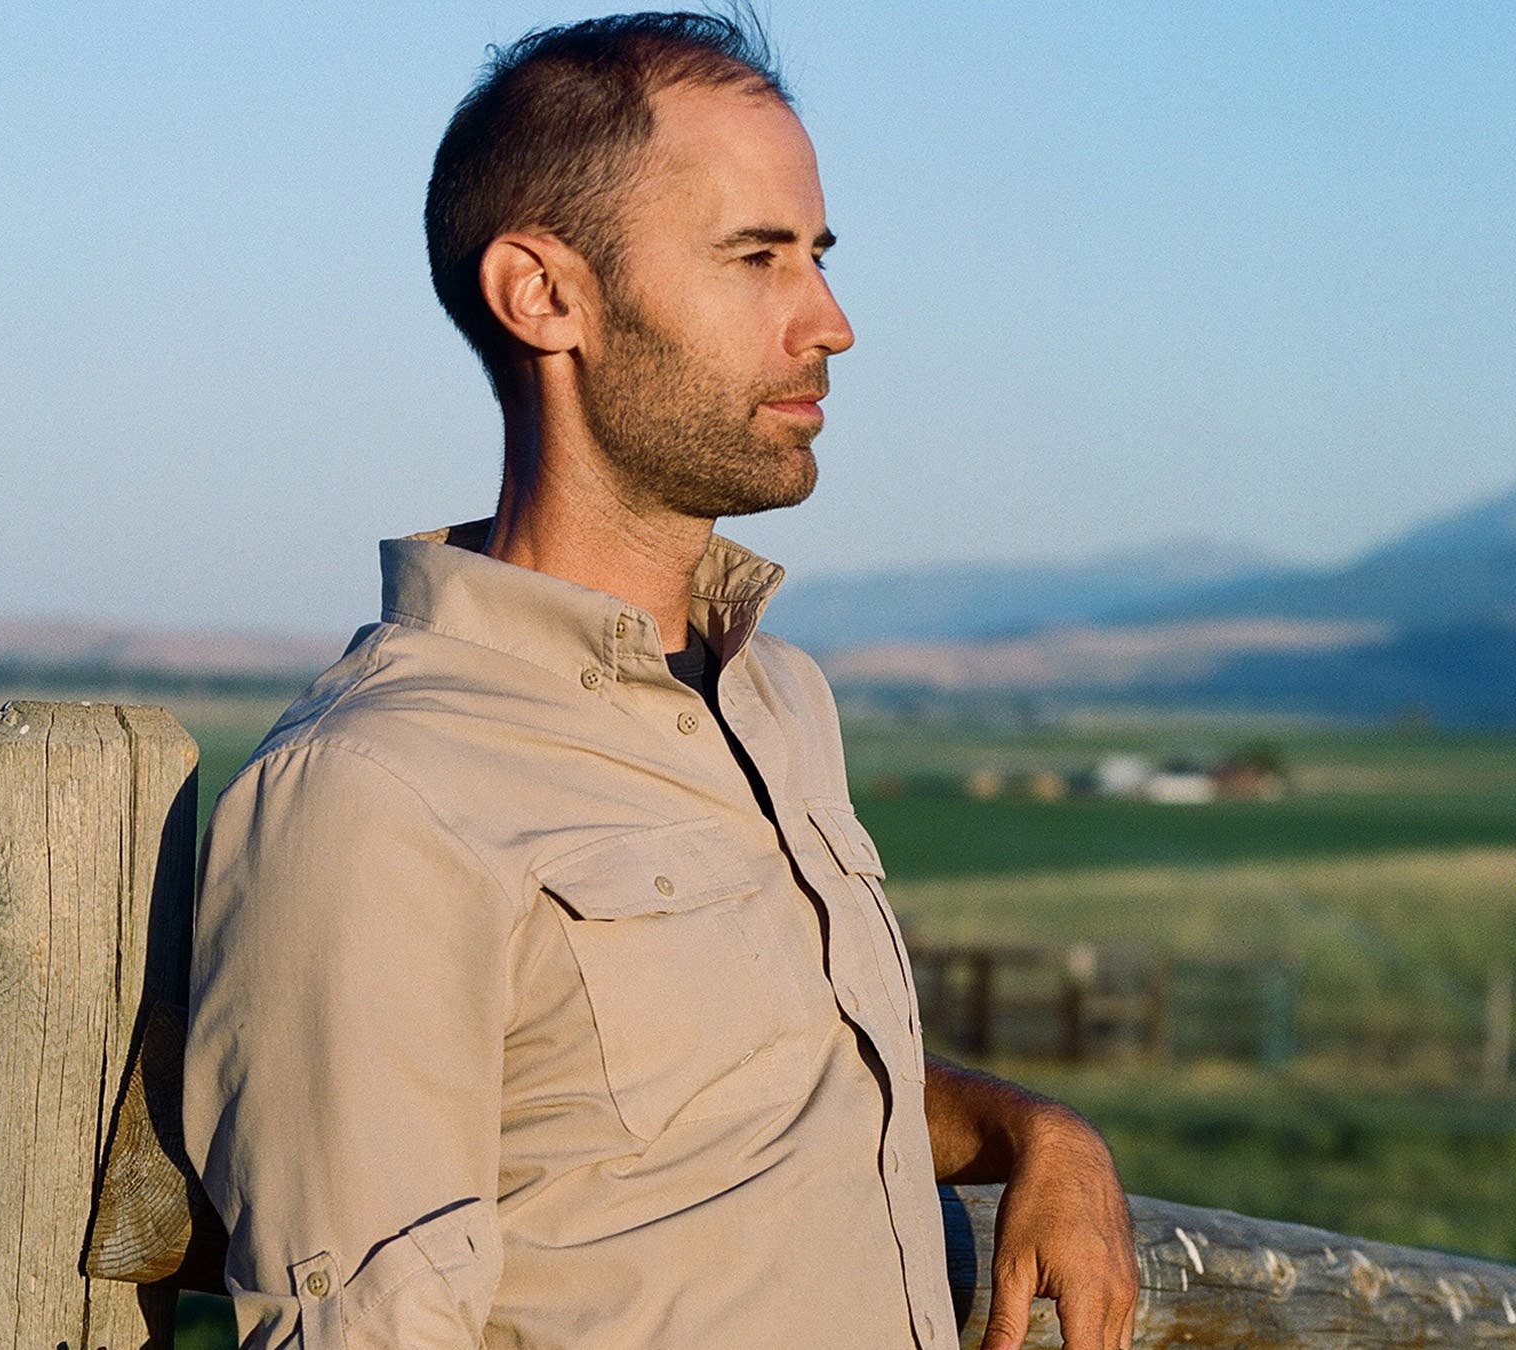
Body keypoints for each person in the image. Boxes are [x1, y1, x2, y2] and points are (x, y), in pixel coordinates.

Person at [183, 12, 1141, 1348]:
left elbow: (756, 1072)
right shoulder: (374, 791)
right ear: (544, 295)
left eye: (817, 256)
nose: (833, 321)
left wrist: (1034, 1130)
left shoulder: (776, 698)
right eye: (757, 257)